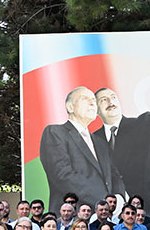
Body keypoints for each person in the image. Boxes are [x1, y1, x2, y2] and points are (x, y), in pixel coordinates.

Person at [92, 66, 150, 208]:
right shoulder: (93, 139)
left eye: (113, 97)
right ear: (96, 109)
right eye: (103, 100)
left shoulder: (142, 124)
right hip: (117, 209)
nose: (110, 102)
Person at [40, 86, 126, 214]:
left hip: (105, 219)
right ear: (70, 107)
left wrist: (118, 199)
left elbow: (114, 175)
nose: (92, 103)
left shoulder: (101, 142)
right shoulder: (55, 132)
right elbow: (63, 175)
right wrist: (104, 202)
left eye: (94, 100)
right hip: (73, 217)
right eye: (85, 99)